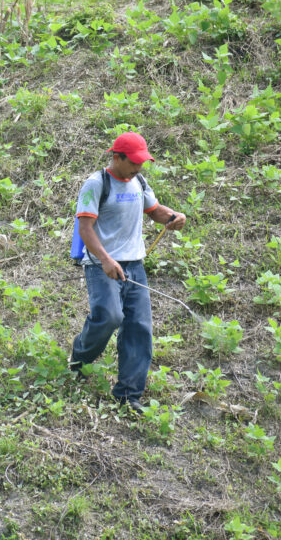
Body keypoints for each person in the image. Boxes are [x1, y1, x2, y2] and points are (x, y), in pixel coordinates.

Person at [71, 132, 186, 411]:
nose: (139, 167)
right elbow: (85, 229)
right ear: (117, 157)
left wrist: (173, 217)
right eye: (133, 161)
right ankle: (79, 358)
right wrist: (107, 260)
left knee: (139, 328)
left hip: (135, 265)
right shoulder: (96, 184)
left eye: (142, 162)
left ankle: (127, 395)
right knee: (109, 316)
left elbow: (155, 210)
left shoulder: (139, 182)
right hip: (102, 264)